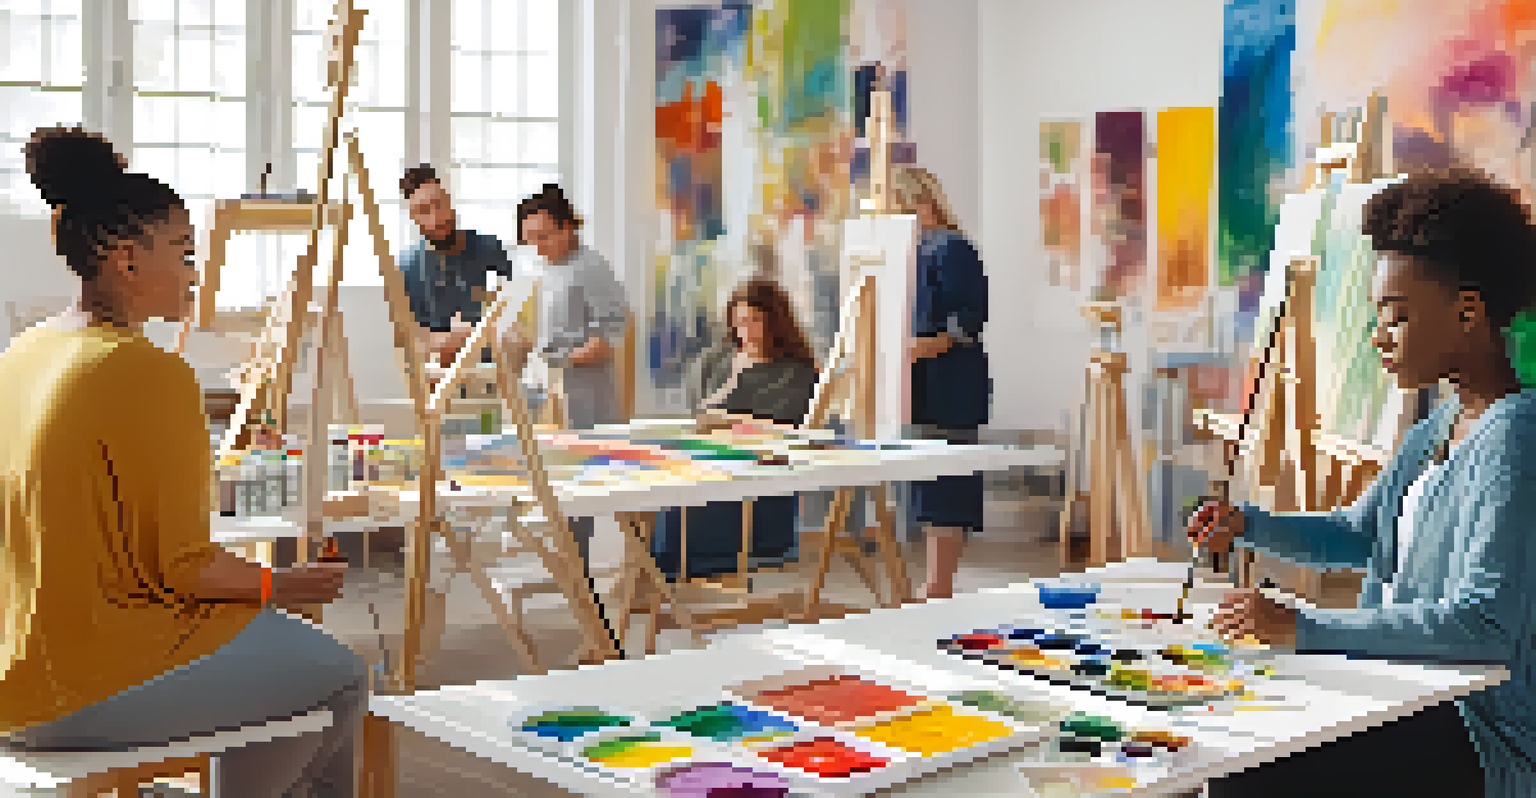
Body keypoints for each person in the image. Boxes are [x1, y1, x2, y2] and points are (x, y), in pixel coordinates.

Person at [1, 127, 361, 796]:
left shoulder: (23, 354)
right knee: (340, 674)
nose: (197, 274)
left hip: (14, 668)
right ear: (126, 260)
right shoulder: (145, 371)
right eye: (185, 253)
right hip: (85, 680)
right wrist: (285, 586)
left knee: (283, 673)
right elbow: (186, 567)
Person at [1192, 167, 1536, 798]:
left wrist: (1303, 626)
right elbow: (1358, 534)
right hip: (1401, 692)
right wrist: (1248, 526)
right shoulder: (1436, 429)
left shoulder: (1514, 440)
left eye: (1396, 317)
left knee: (1248, 769)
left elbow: (1484, 625)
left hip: (1478, 730)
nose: (1378, 336)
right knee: (1218, 734)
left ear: (1467, 311)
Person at [651, 278, 820, 580]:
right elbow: (700, 416)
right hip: (710, 462)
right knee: (656, 488)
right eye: (740, 320)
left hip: (760, 475)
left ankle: (664, 577)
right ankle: (653, 578)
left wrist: (738, 424)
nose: (746, 329)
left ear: (776, 322)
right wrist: (732, 379)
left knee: (682, 504)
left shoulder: (798, 371)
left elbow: (789, 431)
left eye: (756, 320)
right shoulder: (716, 359)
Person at [517, 184, 631, 574]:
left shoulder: (590, 267)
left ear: (568, 227)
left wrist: (560, 360)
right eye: (530, 239)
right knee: (560, 479)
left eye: (544, 236)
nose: (538, 245)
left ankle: (580, 568)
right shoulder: (552, 267)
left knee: (584, 481)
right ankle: (569, 565)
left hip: (586, 394)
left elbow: (609, 337)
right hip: (555, 390)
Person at [889, 166, 991, 601]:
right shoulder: (910, 252)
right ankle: (931, 584)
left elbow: (969, 317)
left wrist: (922, 346)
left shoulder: (950, 247)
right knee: (926, 485)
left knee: (946, 486)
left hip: (950, 383)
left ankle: (939, 585)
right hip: (921, 382)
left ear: (920, 204)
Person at [398, 164, 526, 377]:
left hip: (494, 371)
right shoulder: (406, 267)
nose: (435, 217)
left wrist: (472, 336)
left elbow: (517, 319)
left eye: (438, 204)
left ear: (448, 202)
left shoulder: (490, 250)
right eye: (423, 211)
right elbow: (409, 337)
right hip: (439, 375)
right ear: (414, 218)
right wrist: (446, 340)